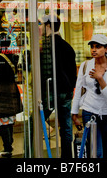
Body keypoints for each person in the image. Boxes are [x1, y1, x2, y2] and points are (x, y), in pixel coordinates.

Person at [71, 34, 107, 158]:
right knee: (96, 151)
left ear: (106, 48)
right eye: (92, 47)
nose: (94, 50)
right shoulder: (85, 65)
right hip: (90, 111)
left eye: (98, 47)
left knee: (105, 149)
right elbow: (78, 89)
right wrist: (74, 113)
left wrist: (100, 79)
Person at [39, 14, 77, 158]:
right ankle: (67, 157)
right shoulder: (67, 47)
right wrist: (70, 89)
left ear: (48, 26)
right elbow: (73, 72)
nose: (41, 28)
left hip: (50, 91)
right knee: (66, 127)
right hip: (66, 91)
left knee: (35, 123)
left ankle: (32, 154)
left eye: (42, 25)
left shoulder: (45, 46)